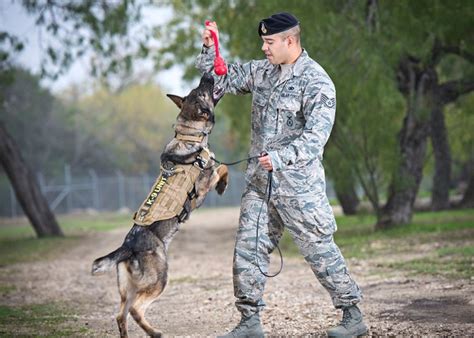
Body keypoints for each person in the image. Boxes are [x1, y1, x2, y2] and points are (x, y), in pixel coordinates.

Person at [196, 12, 367, 337]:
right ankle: (249, 322)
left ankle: (353, 316)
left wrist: (282, 157)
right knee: (248, 249)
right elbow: (221, 79)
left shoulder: (317, 82)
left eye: (269, 41)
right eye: (263, 41)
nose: (264, 48)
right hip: (260, 185)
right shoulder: (262, 72)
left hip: (299, 189)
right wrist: (210, 50)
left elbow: (317, 138)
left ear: (290, 40)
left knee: (320, 251)